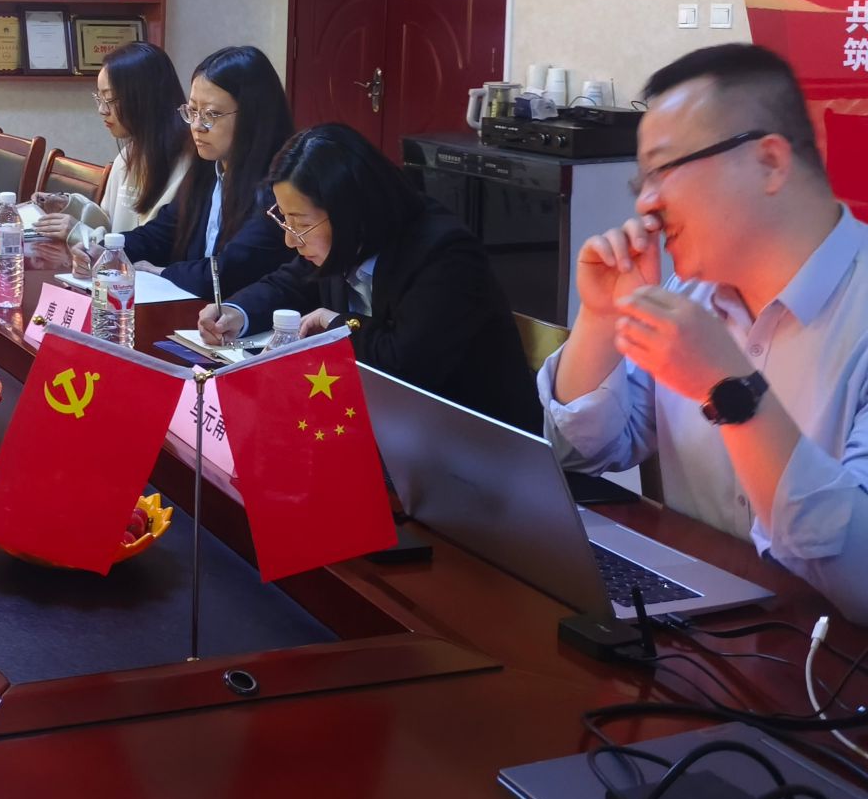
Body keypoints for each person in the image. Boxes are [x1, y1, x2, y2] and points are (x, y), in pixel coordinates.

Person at [542, 45, 868, 621]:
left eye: (664, 170)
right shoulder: (693, 297)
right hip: (702, 635)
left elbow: (862, 576)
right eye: (640, 181)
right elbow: (578, 454)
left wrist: (731, 389)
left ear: (770, 162)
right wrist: (601, 316)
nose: (646, 203)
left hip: (830, 655)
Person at [213, 122, 540, 430]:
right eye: (285, 219)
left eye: (301, 223)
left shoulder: (444, 254)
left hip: (467, 441)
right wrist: (236, 312)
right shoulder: (340, 242)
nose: (290, 239)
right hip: (382, 423)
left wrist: (335, 324)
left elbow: (405, 366)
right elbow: (291, 282)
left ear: (349, 213)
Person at [118, 45, 293, 297]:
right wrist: (106, 250)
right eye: (192, 111)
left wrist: (164, 273)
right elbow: (162, 233)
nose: (197, 126)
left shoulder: (281, 184)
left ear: (253, 116)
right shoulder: (208, 168)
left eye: (211, 114)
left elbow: (232, 270)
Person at [35, 41, 191, 256]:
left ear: (144, 98)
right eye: (99, 98)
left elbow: (151, 246)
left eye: (109, 99)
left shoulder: (188, 165)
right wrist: (69, 205)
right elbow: (110, 223)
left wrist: (78, 232)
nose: (102, 110)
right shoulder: (129, 154)